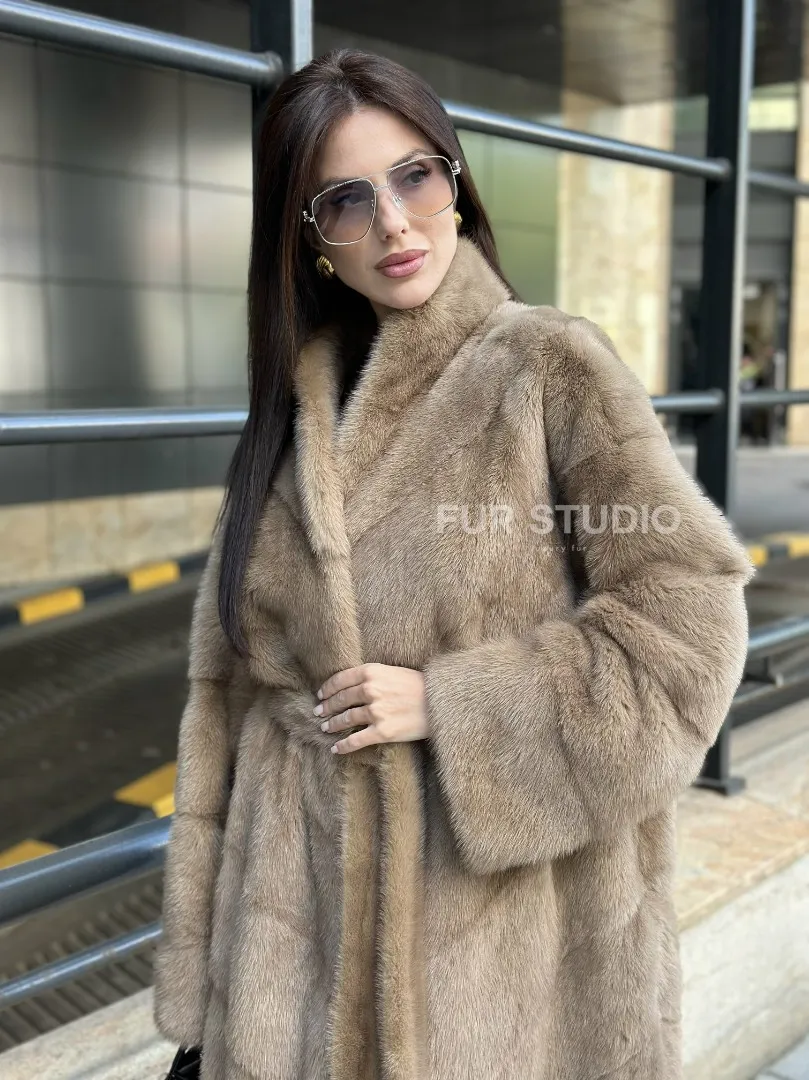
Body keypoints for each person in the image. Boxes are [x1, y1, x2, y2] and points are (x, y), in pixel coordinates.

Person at [152, 48, 756, 1080]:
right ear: (308, 239)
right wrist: (204, 977)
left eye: (414, 177)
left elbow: (687, 626)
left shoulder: (546, 366)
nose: (392, 223)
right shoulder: (290, 416)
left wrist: (453, 703)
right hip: (289, 967)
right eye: (345, 200)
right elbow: (226, 701)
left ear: (454, 181)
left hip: (502, 971)